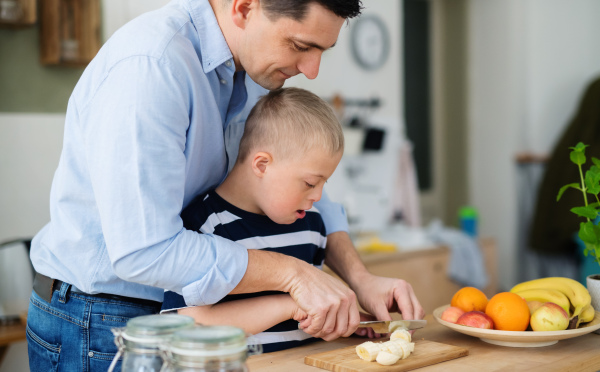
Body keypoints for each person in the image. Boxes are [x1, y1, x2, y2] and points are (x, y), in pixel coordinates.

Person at [27, 0, 424, 371]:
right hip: (99, 317)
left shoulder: (255, 68)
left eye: (323, 49)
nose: (312, 69)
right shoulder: (152, 65)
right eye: (301, 45)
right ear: (244, 7)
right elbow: (144, 250)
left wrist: (360, 277)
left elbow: (308, 185)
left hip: (183, 317)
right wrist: (295, 276)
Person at [162, 87, 377, 352]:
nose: (318, 196)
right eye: (310, 183)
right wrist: (289, 306)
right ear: (262, 165)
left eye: (324, 183)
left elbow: (309, 322)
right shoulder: (204, 226)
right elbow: (193, 326)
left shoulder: (313, 225)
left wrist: (342, 323)